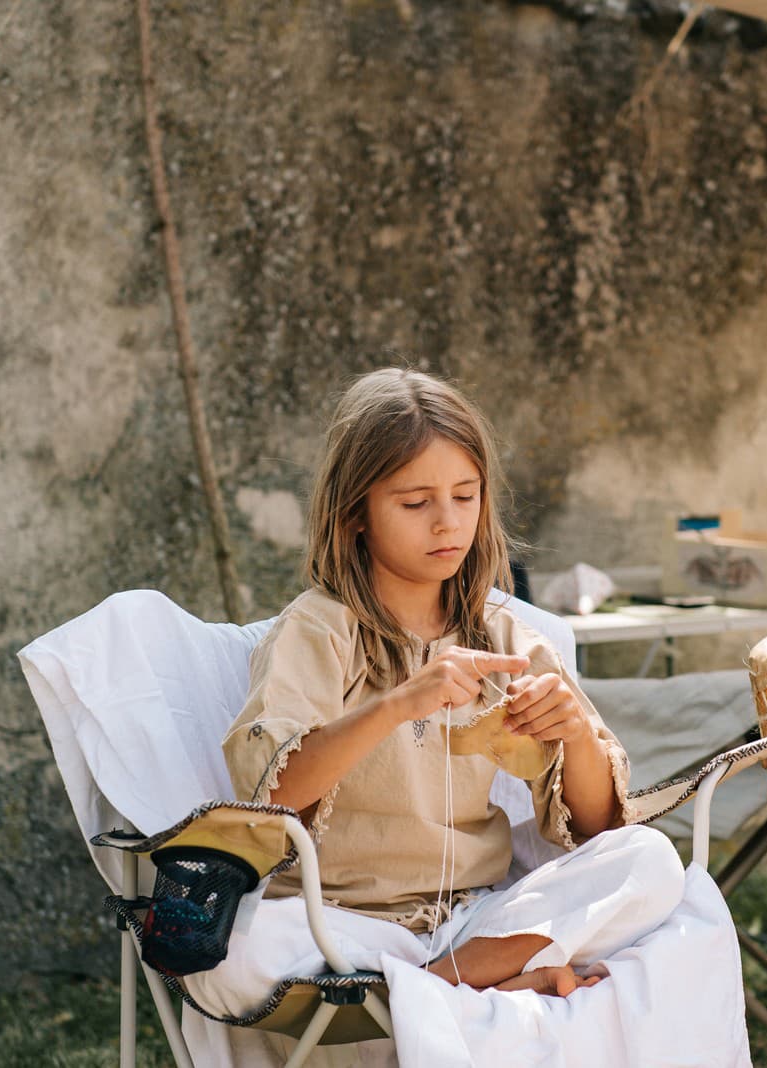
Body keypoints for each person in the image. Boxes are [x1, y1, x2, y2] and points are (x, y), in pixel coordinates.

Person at [212, 367, 684, 1002]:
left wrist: (574, 735)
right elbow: (272, 801)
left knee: (649, 863)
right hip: (339, 926)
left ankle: (425, 988)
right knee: (231, 954)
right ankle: (482, 986)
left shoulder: (504, 637)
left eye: (466, 497)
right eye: (415, 503)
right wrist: (399, 703)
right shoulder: (319, 630)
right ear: (355, 513)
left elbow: (599, 828)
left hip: (475, 920)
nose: (447, 523)